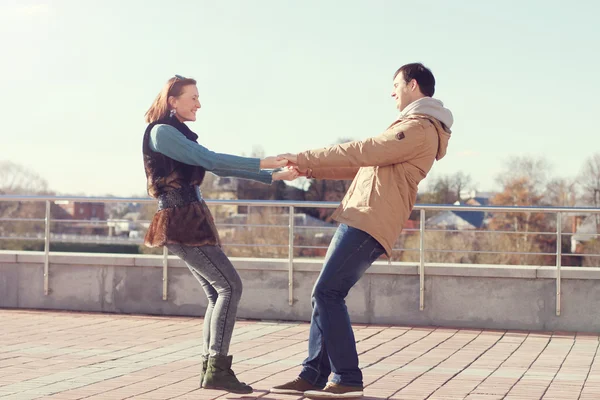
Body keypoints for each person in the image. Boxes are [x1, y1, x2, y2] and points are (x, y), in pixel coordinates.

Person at [270, 63, 454, 399]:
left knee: (327, 293)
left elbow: (361, 150)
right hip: (363, 215)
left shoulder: (418, 128)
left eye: (396, 84)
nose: (392, 91)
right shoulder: (412, 127)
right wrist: (305, 168)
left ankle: (347, 379)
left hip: (370, 219)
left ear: (412, 85)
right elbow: (360, 163)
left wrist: (303, 155)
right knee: (324, 294)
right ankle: (313, 373)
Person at [142, 75, 297, 394]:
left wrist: (274, 175)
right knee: (230, 287)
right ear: (173, 101)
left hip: (190, 218)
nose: (199, 103)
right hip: (180, 219)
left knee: (218, 292)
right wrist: (264, 160)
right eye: (193, 97)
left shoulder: (177, 134)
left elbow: (218, 167)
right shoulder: (162, 133)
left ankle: (210, 369)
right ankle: (217, 369)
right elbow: (210, 160)